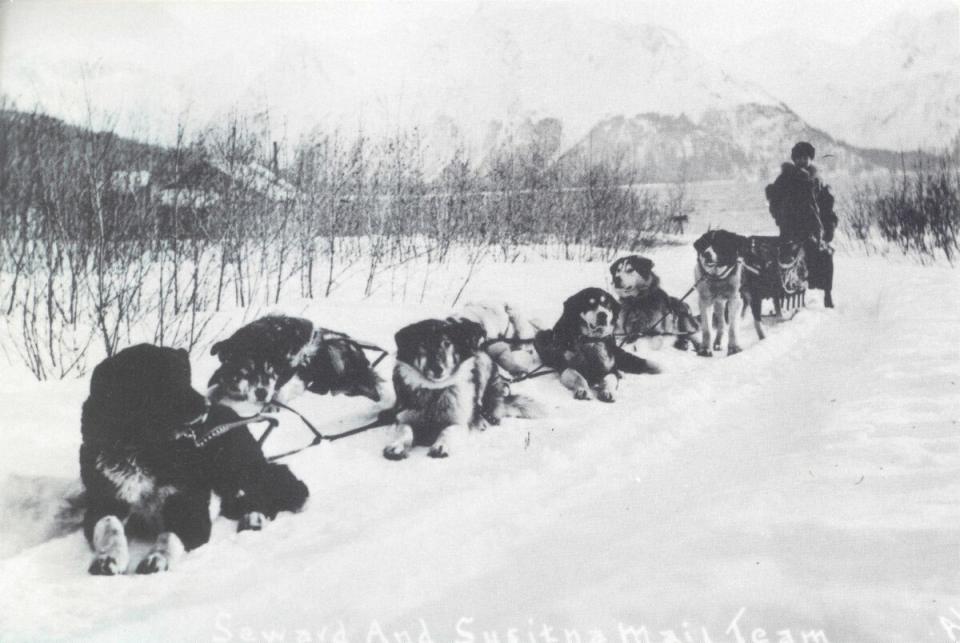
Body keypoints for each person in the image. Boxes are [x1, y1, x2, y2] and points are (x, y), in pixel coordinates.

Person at [765, 141, 838, 308]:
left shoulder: (816, 180)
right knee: (784, 258)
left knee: (824, 257)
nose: (802, 161)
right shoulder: (785, 179)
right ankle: (786, 288)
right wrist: (780, 217)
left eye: (805, 158)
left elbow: (825, 207)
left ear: (810, 159)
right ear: (794, 159)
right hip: (791, 228)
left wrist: (828, 226)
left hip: (813, 228)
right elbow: (774, 202)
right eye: (799, 158)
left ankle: (827, 293)